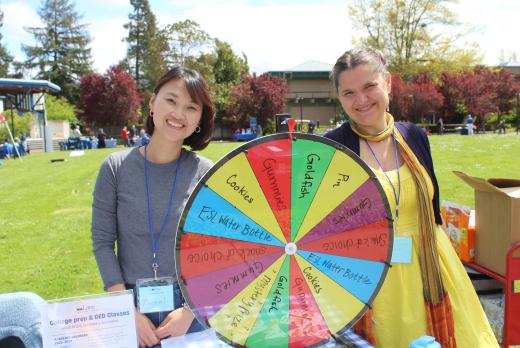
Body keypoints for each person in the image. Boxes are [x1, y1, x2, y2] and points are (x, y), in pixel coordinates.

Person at [324, 47, 497, 348]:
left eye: (369, 87)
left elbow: (432, 209)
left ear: (388, 83)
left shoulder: (414, 136)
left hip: (432, 269)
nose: (361, 100)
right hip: (373, 281)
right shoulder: (331, 148)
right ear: (339, 98)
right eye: (349, 93)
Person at [91, 66, 215, 348]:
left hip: (188, 309)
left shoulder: (205, 173)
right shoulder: (115, 167)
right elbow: (101, 243)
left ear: (198, 120)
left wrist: (190, 311)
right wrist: (126, 311)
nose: (178, 114)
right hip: (129, 308)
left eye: (191, 107)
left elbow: (219, 249)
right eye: (171, 100)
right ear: (152, 103)